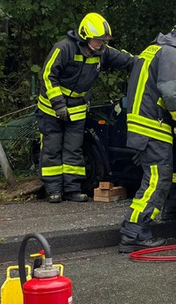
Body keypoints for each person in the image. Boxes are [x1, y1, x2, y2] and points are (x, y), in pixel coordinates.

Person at [118, 21, 176, 252]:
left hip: (142, 125)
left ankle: (138, 229)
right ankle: (133, 231)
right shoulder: (172, 54)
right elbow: (171, 93)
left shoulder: (152, 50)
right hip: (153, 127)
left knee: (156, 179)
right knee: (157, 181)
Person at [37, 13, 135, 203]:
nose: (101, 44)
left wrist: (147, 61)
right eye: (97, 40)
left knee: (74, 150)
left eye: (103, 40)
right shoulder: (64, 48)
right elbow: (48, 76)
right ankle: (53, 190)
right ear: (85, 36)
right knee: (52, 148)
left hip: (77, 109)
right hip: (51, 109)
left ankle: (72, 189)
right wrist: (58, 104)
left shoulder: (102, 52)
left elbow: (127, 60)